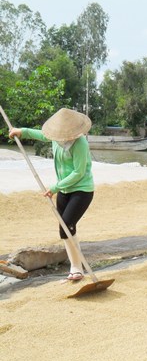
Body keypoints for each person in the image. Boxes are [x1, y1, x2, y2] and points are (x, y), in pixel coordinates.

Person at [9, 108, 94, 280]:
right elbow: (40, 135)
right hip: (64, 190)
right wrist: (22, 131)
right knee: (65, 230)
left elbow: (78, 172)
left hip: (82, 190)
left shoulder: (80, 143)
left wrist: (55, 187)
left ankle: (77, 268)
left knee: (68, 224)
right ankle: (76, 267)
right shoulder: (56, 139)